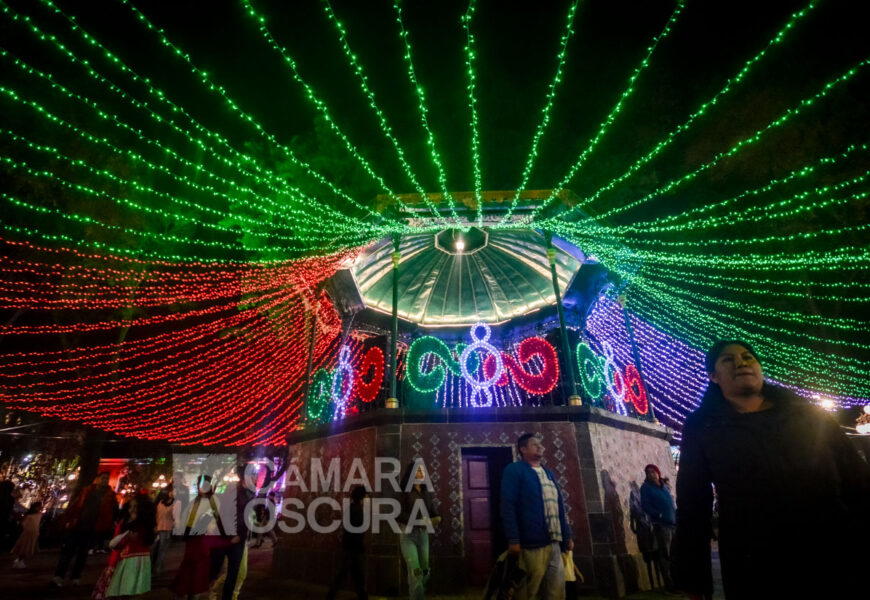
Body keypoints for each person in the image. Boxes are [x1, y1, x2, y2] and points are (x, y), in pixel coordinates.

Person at [672, 340, 870, 599]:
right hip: (755, 563)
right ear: (714, 376)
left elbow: (855, 476)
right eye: (728, 359)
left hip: (833, 550)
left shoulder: (806, 414)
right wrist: (694, 580)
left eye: (747, 357)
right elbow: (693, 502)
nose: (741, 362)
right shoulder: (703, 427)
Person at [501, 433, 573, 600]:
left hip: (554, 543)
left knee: (556, 590)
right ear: (523, 449)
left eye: (541, 444)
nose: (540, 446)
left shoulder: (548, 473)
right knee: (529, 591)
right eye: (535, 444)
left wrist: (567, 535)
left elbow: (559, 506)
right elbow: (508, 505)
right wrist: (513, 539)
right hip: (531, 544)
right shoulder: (515, 471)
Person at [52, 472, 118, 587]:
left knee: (82, 555)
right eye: (103, 478)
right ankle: (59, 576)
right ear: (97, 479)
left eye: (107, 479)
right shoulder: (86, 491)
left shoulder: (110, 496)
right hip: (77, 526)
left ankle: (75, 577)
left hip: (92, 528)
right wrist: (68, 519)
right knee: (68, 552)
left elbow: (112, 512)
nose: (105, 480)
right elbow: (75, 505)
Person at [397, 462, 441, 600]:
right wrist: (417, 521)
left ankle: (416, 594)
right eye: (419, 471)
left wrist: (438, 518)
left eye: (423, 471)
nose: (422, 474)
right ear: (412, 473)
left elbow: (432, 512)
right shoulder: (404, 491)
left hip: (423, 536)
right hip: (408, 535)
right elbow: (397, 513)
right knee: (416, 572)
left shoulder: (426, 492)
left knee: (425, 572)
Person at [105, 490, 156, 597]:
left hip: (135, 560)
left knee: (128, 588)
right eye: (131, 507)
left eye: (135, 507)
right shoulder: (128, 522)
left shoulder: (143, 525)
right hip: (127, 558)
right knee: (124, 588)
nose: (131, 509)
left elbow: (149, 540)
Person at [327, 485, 368, 600]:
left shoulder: (350, 508)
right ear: (362, 497)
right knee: (348, 573)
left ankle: (362, 596)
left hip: (348, 546)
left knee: (352, 574)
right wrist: (360, 546)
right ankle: (331, 595)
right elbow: (357, 530)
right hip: (353, 548)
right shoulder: (358, 510)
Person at [640, 464, 675, 592]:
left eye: (653, 471)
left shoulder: (664, 487)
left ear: (658, 473)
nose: (651, 474)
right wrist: (658, 515)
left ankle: (678, 581)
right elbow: (645, 505)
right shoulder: (646, 488)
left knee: (675, 554)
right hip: (661, 526)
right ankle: (670, 585)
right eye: (648, 472)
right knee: (665, 555)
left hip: (673, 524)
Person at [152, 485, 176, 574]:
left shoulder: (176, 504)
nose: (172, 493)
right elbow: (157, 514)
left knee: (163, 548)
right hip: (158, 527)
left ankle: (158, 566)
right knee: (155, 547)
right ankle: (153, 565)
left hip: (168, 528)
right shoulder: (161, 502)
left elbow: (176, 517)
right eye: (172, 491)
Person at [11, 501, 42, 568]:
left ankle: (20, 561)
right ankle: (20, 561)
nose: (39, 508)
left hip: (33, 532)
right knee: (25, 547)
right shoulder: (32, 515)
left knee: (27, 547)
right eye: (38, 507)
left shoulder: (37, 515)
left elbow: (35, 524)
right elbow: (24, 524)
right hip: (28, 532)